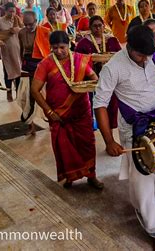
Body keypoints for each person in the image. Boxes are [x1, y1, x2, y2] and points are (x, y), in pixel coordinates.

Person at [94, 25, 155, 251]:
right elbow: (99, 104)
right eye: (139, 55)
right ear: (128, 45)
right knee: (144, 181)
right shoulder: (113, 67)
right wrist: (109, 141)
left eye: (148, 55)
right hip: (135, 128)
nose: (144, 60)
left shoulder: (154, 55)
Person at [31, 31, 103, 189]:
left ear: (69, 44)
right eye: (54, 48)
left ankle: (92, 176)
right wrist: (49, 112)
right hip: (58, 114)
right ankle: (69, 177)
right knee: (64, 147)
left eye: (62, 47)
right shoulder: (46, 64)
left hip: (81, 112)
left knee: (87, 144)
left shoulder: (79, 59)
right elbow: (34, 90)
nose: (58, 51)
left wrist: (84, 87)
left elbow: (94, 78)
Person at [76, 15, 122, 129]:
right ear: (90, 28)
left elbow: (121, 56)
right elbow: (77, 59)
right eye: (94, 26)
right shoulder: (84, 42)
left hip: (110, 77)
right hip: (91, 78)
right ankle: (91, 126)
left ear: (103, 26)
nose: (97, 28)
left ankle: (111, 126)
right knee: (91, 103)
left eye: (100, 26)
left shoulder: (112, 40)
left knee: (112, 102)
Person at [0, 2, 23, 102]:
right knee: (8, 71)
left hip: (18, 50)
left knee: (18, 71)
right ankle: (9, 92)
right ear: (5, 11)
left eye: (13, 11)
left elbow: (24, 30)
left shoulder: (17, 19)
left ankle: (18, 92)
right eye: (10, 12)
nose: (12, 14)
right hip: (7, 51)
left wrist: (18, 29)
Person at [18, 11, 41, 135]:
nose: (27, 27)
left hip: (42, 64)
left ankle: (53, 123)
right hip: (27, 65)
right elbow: (21, 50)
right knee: (27, 96)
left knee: (47, 95)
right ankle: (30, 125)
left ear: (36, 21)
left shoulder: (43, 32)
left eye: (30, 24)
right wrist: (21, 66)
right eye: (25, 24)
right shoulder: (21, 33)